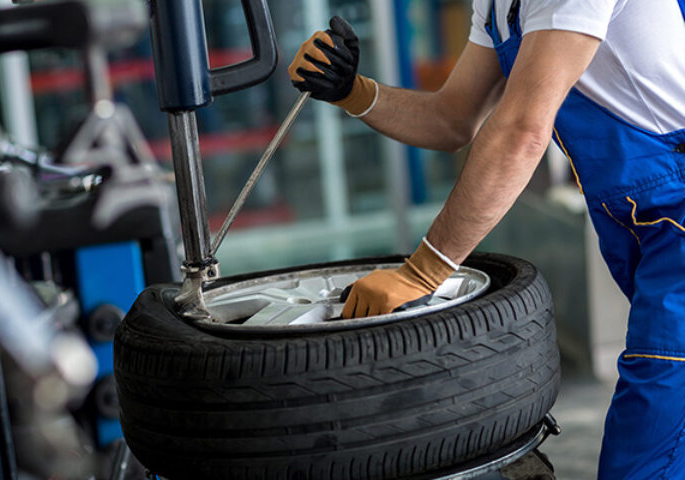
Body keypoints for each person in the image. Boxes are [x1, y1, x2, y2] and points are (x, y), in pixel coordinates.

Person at [288, 1, 685, 478]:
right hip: (638, 221)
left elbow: (521, 130)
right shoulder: (497, 5)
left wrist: (423, 272)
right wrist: (353, 92)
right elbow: (452, 119)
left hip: (675, 209)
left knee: (646, 442)